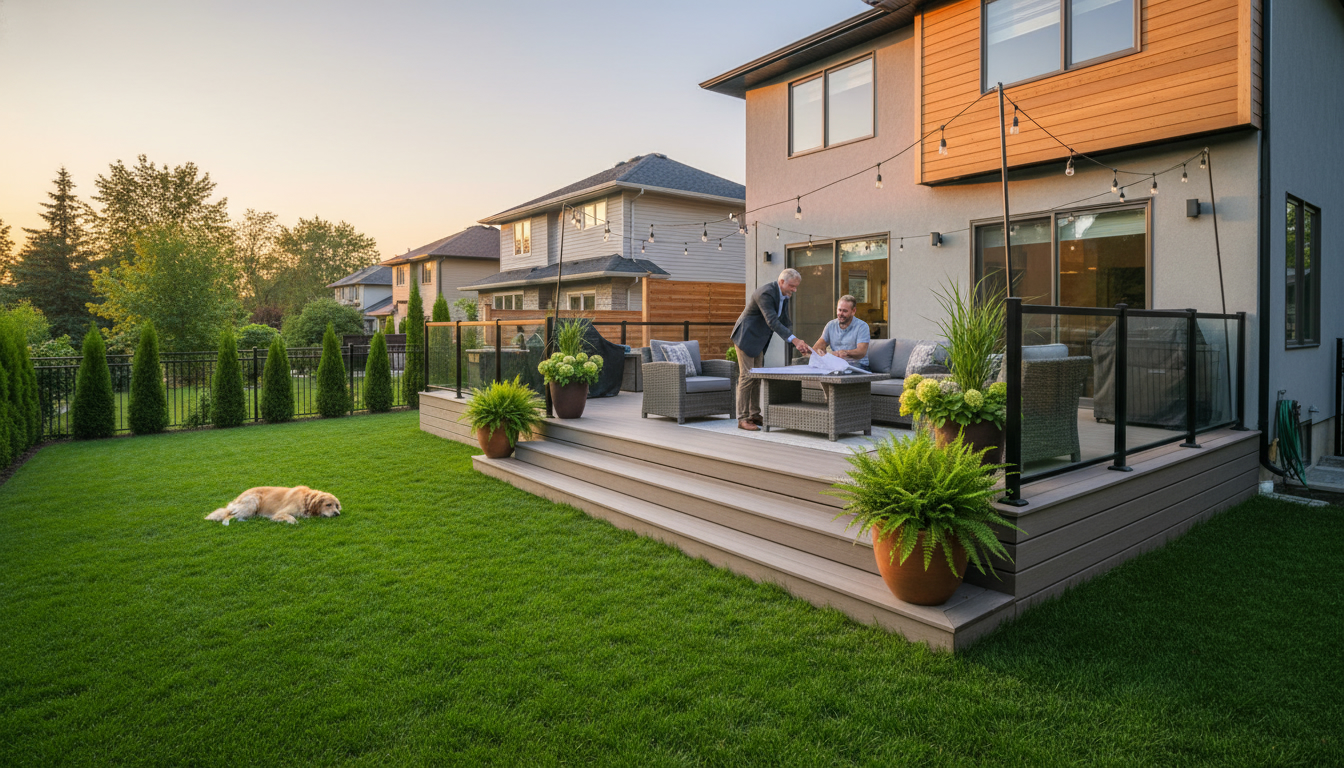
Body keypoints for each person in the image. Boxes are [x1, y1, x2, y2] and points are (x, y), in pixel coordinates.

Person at [729, 268, 813, 431]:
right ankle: (742, 419)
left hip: (759, 340)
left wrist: (797, 342)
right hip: (746, 337)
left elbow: (785, 321)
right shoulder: (765, 293)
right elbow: (772, 321)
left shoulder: (785, 295)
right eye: (792, 286)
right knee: (747, 376)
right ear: (781, 282)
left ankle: (754, 414)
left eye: (796, 287)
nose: (794, 290)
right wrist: (795, 340)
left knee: (757, 376)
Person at [812, 295, 870, 370]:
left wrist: (844, 353)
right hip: (837, 365)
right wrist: (820, 352)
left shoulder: (862, 326)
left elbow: (861, 352)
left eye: (845, 311)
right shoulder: (831, 325)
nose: (841, 314)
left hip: (859, 366)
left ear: (853, 311)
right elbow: (817, 347)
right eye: (839, 310)